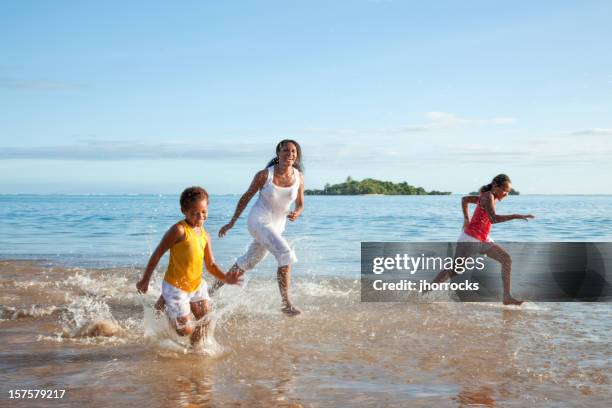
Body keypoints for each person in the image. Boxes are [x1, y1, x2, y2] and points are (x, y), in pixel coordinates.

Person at [136, 186, 241, 346]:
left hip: (197, 285)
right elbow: (157, 253)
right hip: (176, 287)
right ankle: (167, 300)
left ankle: (195, 352)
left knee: (205, 321)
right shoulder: (179, 230)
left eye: (204, 212)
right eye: (194, 213)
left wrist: (226, 278)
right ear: (183, 211)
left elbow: (211, 265)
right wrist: (145, 280)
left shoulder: (205, 235)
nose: (200, 217)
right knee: (185, 330)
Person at [216, 139, 305, 316]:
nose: (290, 154)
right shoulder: (265, 175)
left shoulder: (299, 177)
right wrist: (232, 222)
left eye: (293, 151)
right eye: (286, 151)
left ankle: (211, 291)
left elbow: (300, 204)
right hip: (258, 221)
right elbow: (246, 197)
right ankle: (286, 304)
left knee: (248, 262)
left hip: (276, 227)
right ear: (278, 154)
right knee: (285, 254)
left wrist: (297, 213)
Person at [430, 174, 534, 305]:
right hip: (470, 238)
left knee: (506, 259)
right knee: (456, 269)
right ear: (495, 186)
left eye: (508, 192)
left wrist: (466, 219)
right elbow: (493, 219)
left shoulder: (487, 196)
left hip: (483, 238)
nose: (506, 194)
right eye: (504, 191)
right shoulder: (488, 196)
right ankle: (426, 291)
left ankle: (507, 297)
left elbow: (465, 199)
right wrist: (515, 216)